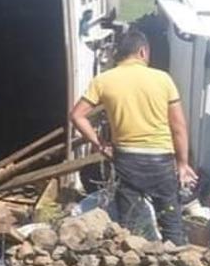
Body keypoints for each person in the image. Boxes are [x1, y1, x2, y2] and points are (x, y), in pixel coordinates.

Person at [70, 29, 198, 245]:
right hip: (161, 161)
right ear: (142, 51)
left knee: (131, 228)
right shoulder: (163, 79)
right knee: (171, 223)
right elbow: (178, 126)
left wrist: (99, 143)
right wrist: (183, 163)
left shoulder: (103, 80)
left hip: (127, 161)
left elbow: (77, 115)